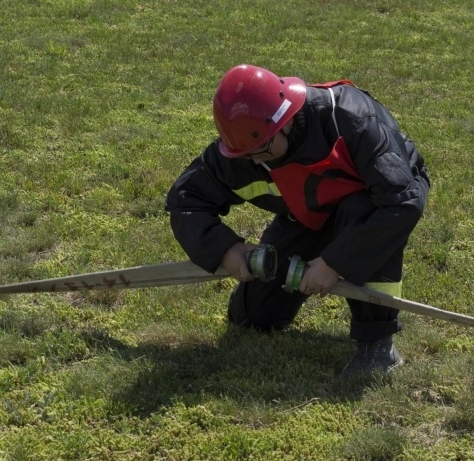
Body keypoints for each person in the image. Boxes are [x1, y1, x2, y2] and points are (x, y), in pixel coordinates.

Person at [165, 64, 430, 378]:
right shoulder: (249, 149)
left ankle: (377, 345)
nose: (257, 161)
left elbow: (401, 202)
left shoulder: (351, 118)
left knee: (363, 209)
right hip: (308, 212)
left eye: (263, 149)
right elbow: (185, 198)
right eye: (247, 154)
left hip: (376, 205)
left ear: (285, 121)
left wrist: (334, 263)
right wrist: (226, 249)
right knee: (252, 317)